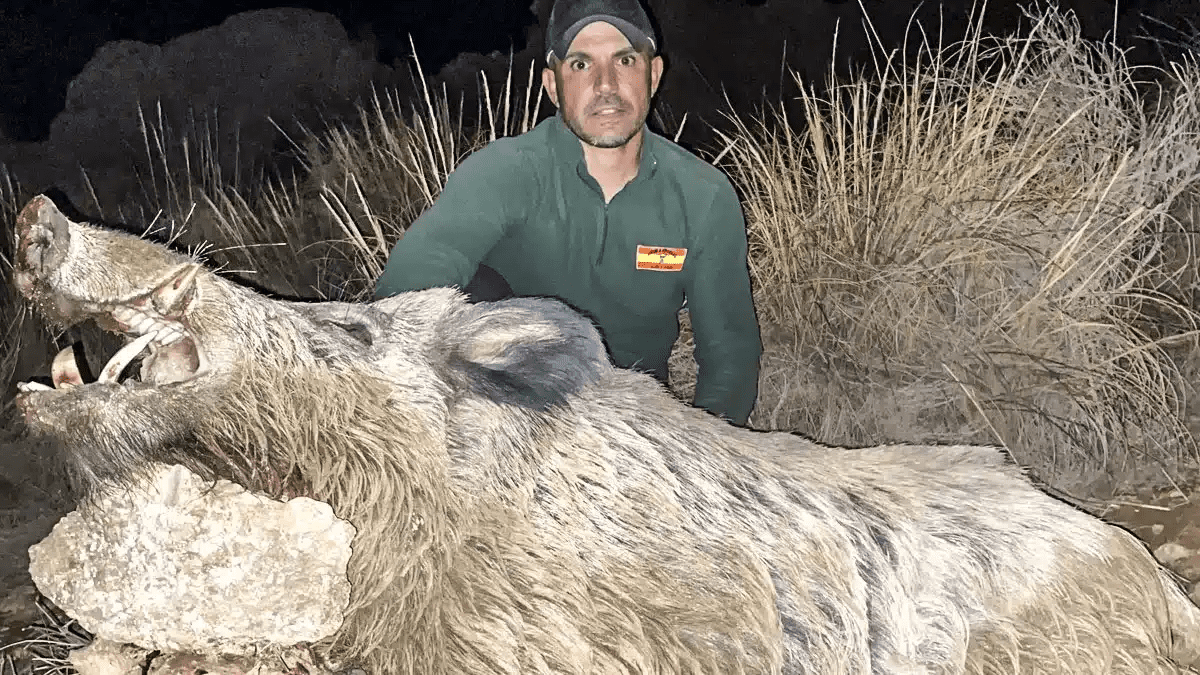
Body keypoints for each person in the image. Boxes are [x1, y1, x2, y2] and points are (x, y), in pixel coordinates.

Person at [375, 0, 761, 425]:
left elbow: (730, 354)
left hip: (631, 419)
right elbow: (408, 287)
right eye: (580, 65)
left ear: (653, 75)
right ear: (552, 86)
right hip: (508, 409)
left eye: (625, 60)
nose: (605, 85)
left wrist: (703, 455)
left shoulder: (703, 195)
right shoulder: (505, 170)